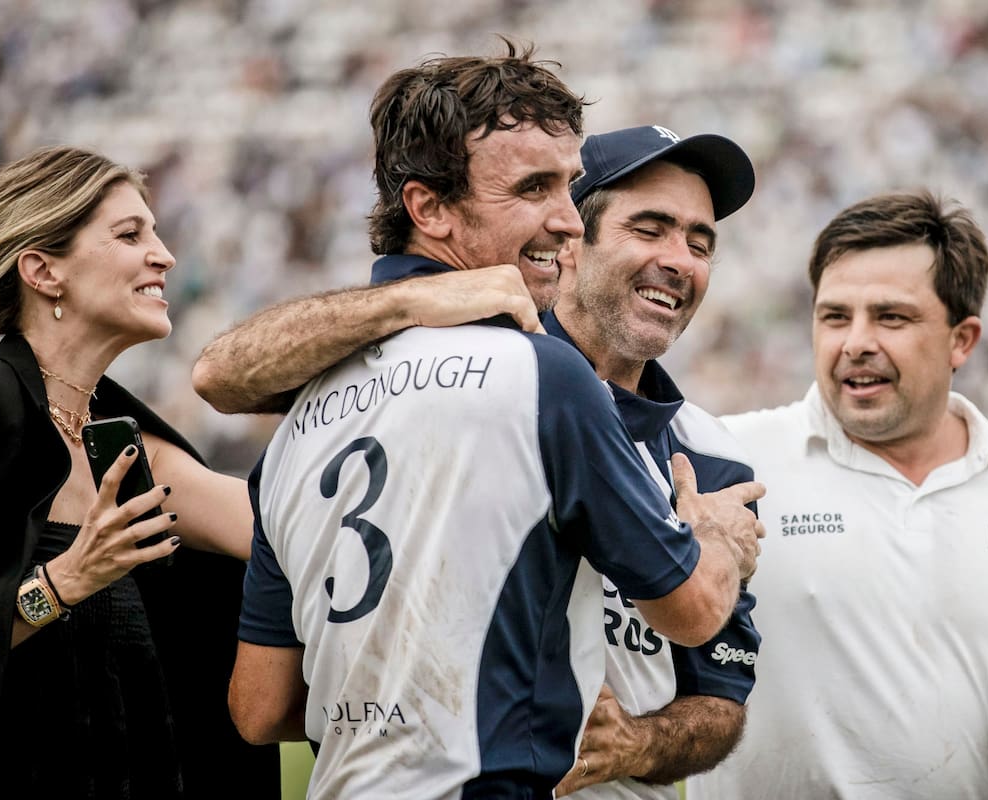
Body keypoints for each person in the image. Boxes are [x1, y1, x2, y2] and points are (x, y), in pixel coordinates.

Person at [223, 42, 763, 799]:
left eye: (568, 189)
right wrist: (720, 541)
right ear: (428, 207)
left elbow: (261, 706)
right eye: (536, 188)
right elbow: (697, 608)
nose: (564, 222)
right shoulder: (541, 380)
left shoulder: (297, 421)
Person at [685, 190, 988, 800]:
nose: (856, 341)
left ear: (962, 340)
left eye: (891, 317)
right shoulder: (726, 457)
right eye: (835, 316)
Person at [0, 145, 279, 798]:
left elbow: (283, 528)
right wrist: (67, 579)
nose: (164, 255)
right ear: (43, 271)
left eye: (154, 231)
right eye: (130, 234)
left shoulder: (131, 452)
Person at [547, 125, 763, 799]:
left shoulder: (711, 458)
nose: (681, 260)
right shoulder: (484, 387)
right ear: (567, 244)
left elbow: (721, 696)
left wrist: (634, 744)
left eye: (700, 243)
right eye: (650, 228)